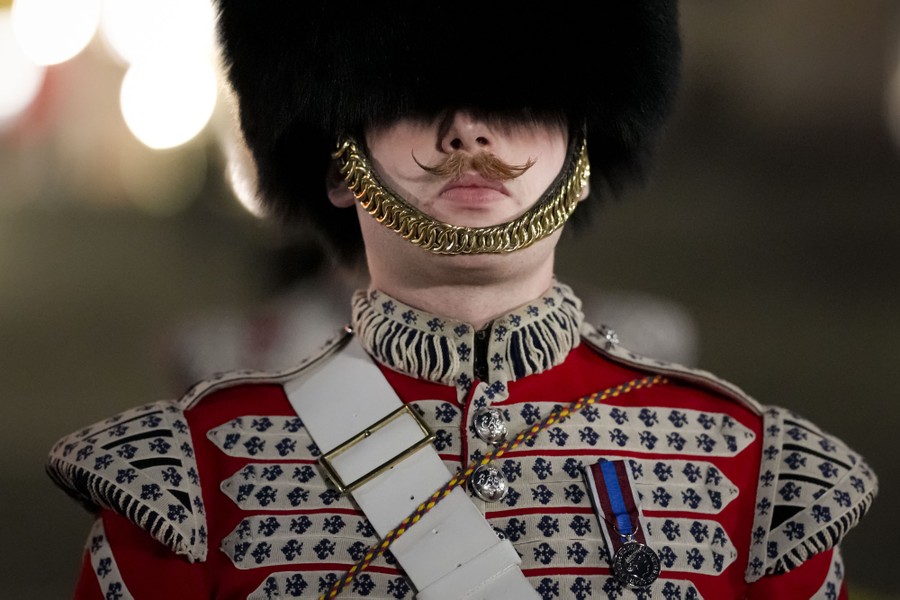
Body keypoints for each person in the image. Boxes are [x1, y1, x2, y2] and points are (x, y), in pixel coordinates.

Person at [47, 1, 877, 599]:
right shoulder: (192, 481)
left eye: (520, 97)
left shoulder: (758, 475)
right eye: (412, 95)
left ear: (580, 151)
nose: (469, 130)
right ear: (340, 164)